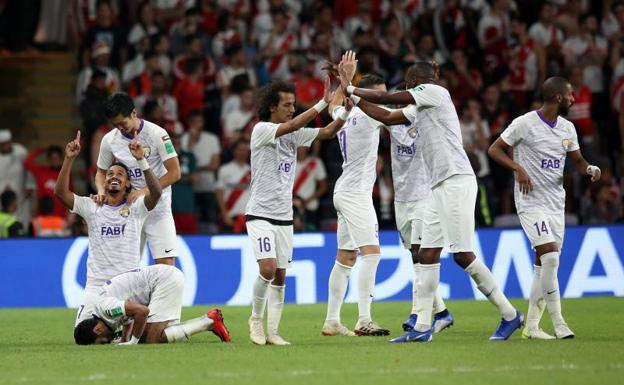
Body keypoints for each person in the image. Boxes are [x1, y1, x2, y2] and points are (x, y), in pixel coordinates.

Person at [339, 51, 522, 342]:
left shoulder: (435, 92)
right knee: (426, 254)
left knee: (462, 255)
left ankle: (510, 314)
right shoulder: (419, 108)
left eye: (408, 85)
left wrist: (349, 86)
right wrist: (356, 98)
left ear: (414, 82)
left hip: (457, 180)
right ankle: (423, 327)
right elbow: (385, 114)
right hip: (437, 187)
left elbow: (388, 100)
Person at [488, 77, 602, 339]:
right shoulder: (524, 123)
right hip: (530, 201)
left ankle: (531, 326)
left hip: (555, 203)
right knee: (550, 256)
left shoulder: (567, 129)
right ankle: (559, 322)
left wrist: (589, 169)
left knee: (544, 265)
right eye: (571, 95)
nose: (574, 99)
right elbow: (495, 149)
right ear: (558, 98)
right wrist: (518, 169)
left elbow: (577, 160)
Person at [246, 77, 352, 346]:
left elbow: (327, 132)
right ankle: (255, 320)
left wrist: (346, 111)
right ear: (272, 107)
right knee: (268, 269)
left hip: (284, 216)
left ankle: (273, 332)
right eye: (287, 104)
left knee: (281, 275)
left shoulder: (293, 136)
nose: (292, 109)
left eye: (294, 105)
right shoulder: (261, 130)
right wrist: (322, 103)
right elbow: (293, 124)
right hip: (259, 213)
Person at [54, 131, 162, 326]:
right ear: (104, 182)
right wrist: (69, 160)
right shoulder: (92, 206)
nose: (114, 176)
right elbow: (60, 193)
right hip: (96, 288)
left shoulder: (136, 208)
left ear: (128, 183)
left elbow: (156, 193)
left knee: (147, 335)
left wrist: (141, 161)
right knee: (83, 334)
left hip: (127, 286)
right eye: (110, 174)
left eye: (120, 174)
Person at [321, 74, 390, 337]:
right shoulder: (371, 115)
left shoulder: (345, 115)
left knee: (346, 257)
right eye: (379, 94)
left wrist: (342, 80)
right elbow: (394, 115)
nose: (383, 98)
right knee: (371, 254)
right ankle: (364, 319)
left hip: (344, 191)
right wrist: (347, 81)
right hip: (356, 195)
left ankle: (332, 321)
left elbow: (331, 107)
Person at [96, 93, 181, 266]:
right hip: (129, 211)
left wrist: (144, 191)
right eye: (115, 125)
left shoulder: (157, 134)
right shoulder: (109, 140)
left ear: (134, 113)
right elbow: (100, 172)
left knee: (165, 267)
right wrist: (101, 191)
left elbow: (175, 173)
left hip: (159, 208)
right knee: (127, 268)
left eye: (122, 123)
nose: (120, 128)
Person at [73, 264, 230, 345]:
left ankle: (209, 322)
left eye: (102, 342)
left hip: (164, 281)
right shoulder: (107, 313)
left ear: (98, 329)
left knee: (152, 339)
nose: (107, 343)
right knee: (152, 335)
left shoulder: (106, 309)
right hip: (164, 279)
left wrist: (132, 342)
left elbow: (142, 311)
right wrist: (124, 341)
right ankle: (208, 321)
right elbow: (130, 322)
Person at [216, 140, 251, 233]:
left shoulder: (253, 170)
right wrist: (224, 214)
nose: (243, 152)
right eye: (240, 150)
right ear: (234, 151)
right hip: (231, 215)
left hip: (250, 218)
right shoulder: (225, 169)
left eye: (245, 150)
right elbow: (219, 193)